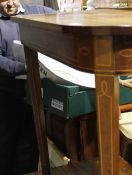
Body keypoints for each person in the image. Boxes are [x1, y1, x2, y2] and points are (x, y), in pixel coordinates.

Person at [0, 0, 55, 174]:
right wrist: (23, 67)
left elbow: (60, 16)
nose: (9, 4)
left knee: (34, 139)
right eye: (3, 0)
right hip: (8, 92)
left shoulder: (36, 11)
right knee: (7, 140)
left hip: (35, 91)